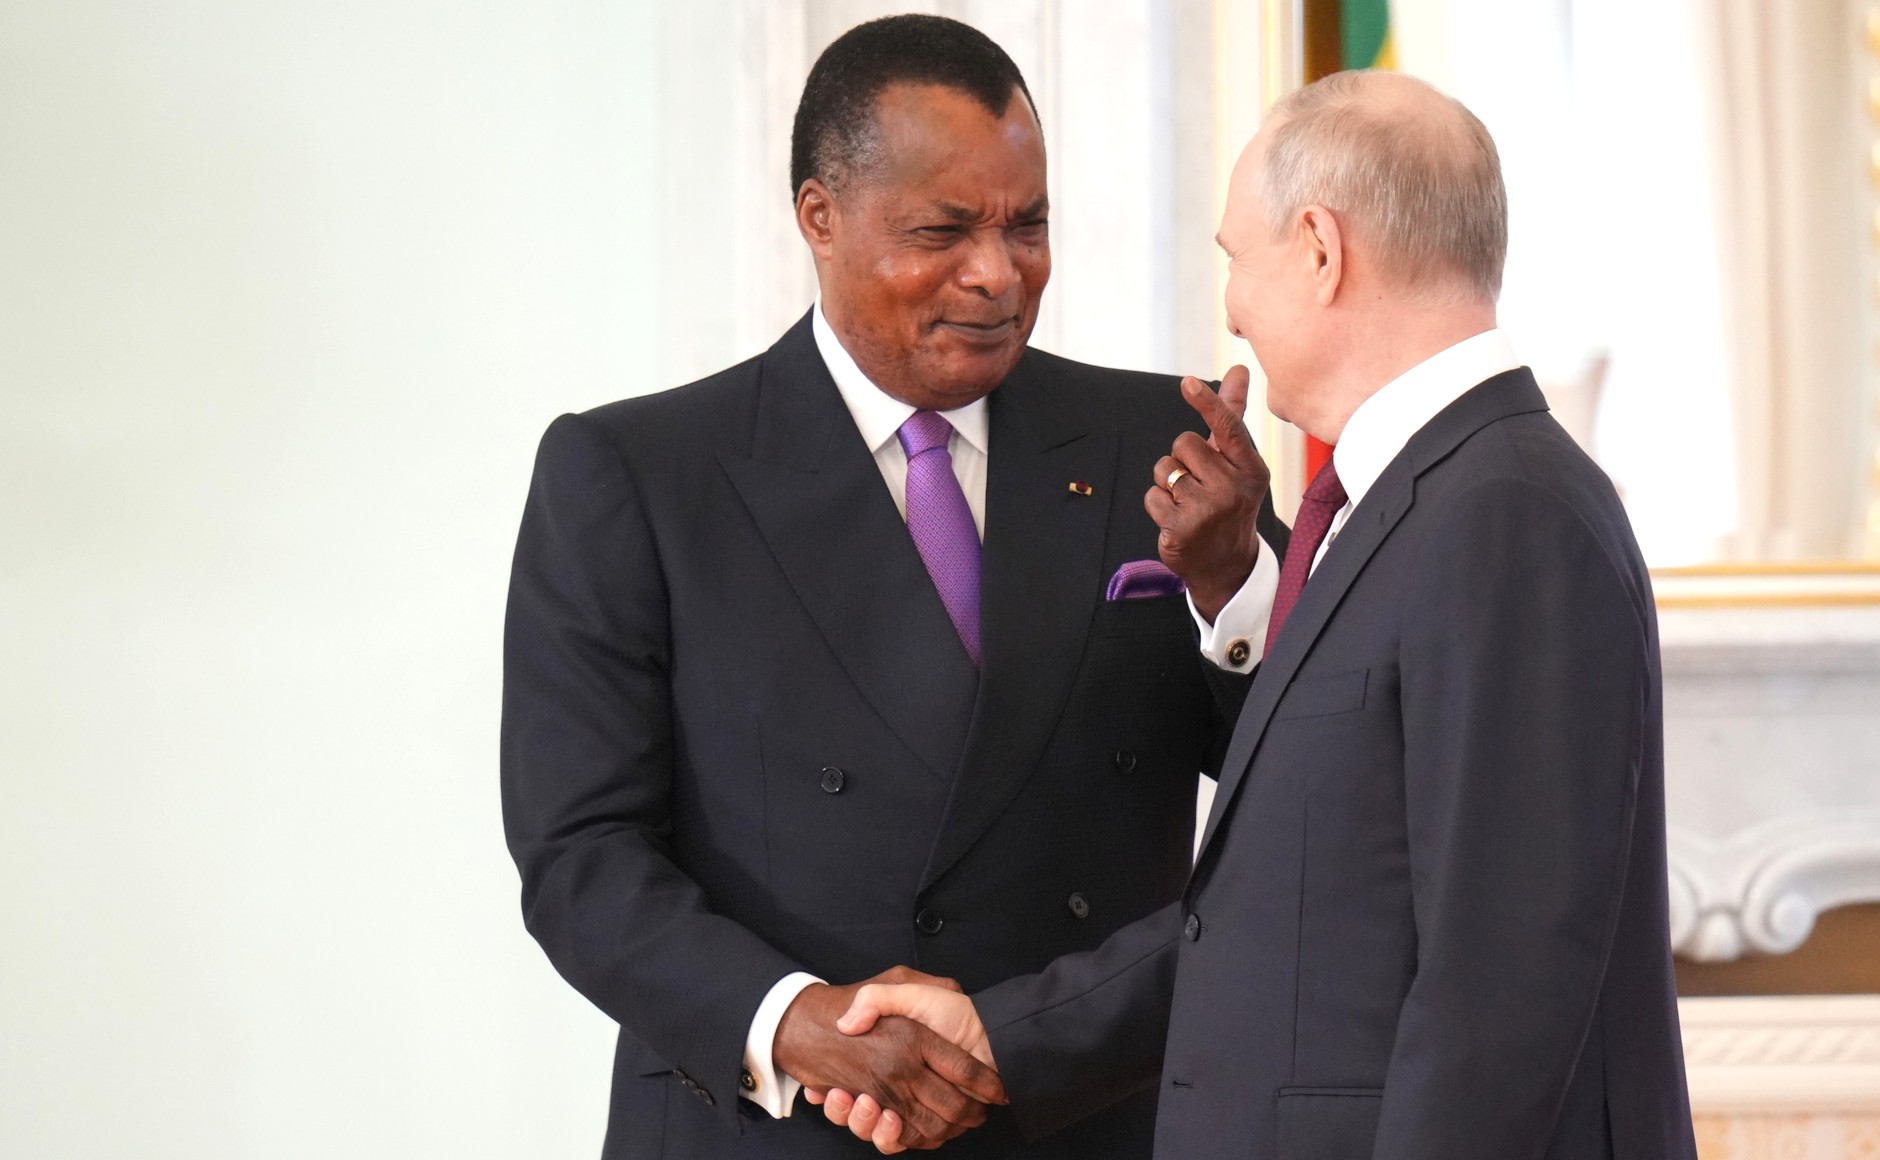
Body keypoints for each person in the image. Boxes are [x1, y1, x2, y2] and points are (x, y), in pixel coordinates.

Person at [821, 70, 1699, 1160]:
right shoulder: (1421, 500)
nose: (1229, 304)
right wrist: (1001, 1032)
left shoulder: (1505, 512)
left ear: (1320, 250)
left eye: (1236, 256)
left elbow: (1500, 988)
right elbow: (1281, 912)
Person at [499, 14, 1289, 1158]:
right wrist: (796, 1022)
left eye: (1027, 225)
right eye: (942, 229)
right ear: (818, 218)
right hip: (774, 1126)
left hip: (1079, 1119)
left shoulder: (1157, 443)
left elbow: (1305, 781)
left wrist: (1232, 586)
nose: (996, 273)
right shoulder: (636, 474)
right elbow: (580, 855)